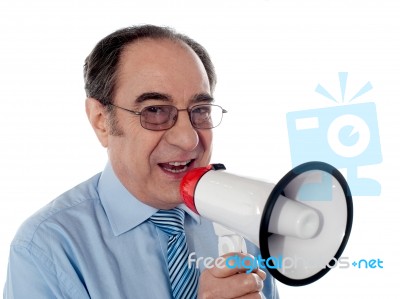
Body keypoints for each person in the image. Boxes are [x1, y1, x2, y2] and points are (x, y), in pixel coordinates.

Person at [4, 25, 279, 298]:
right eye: (155, 110)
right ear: (101, 122)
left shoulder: (243, 218)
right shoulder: (46, 248)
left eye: (201, 110)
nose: (188, 139)